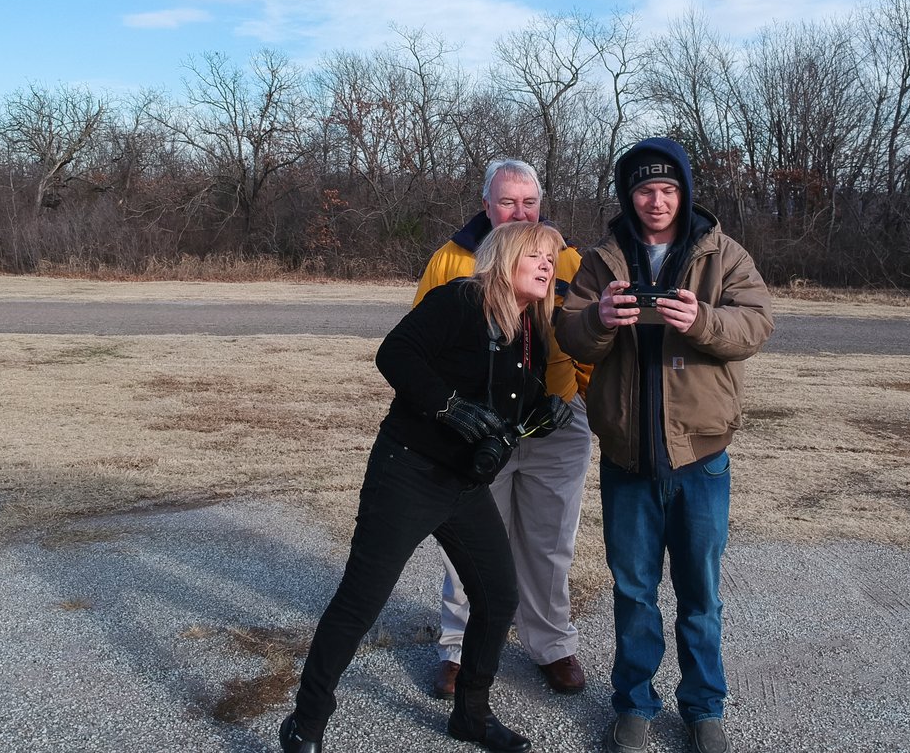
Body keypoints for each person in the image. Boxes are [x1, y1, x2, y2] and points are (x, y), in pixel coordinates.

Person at [280, 220, 575, 753]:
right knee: (360, 601)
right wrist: (447, 407)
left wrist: (540, 409)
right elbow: (395, 354)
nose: (547, 265)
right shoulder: (460, 300)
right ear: (506, 256)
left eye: (551, 258)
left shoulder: (529, 327)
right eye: (536, 254)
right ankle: (306, 721)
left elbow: (505, 397)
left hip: (464, 484)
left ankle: (472, 717)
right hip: (408, 471)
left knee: (498, 595)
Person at [554, 138, 774, 753]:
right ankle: (633, 705)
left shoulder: (723, 253)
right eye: (645, 189)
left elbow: (755, 325)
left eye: (668, 189)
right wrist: (598, 319)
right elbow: (570, 332)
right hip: (628, 458)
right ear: (629, 195)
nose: (656, 200)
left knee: (700, 592)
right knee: (633, 591)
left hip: (700, 459)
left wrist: (700, 320)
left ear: (685, 193)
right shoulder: (601, 261)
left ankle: (704, 708)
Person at [414, 159, 593, 698]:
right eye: (508, 202)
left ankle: (550, 643)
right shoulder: (452, 261)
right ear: (486, 204)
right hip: (479, 425)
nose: (520, 212)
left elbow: (589, 331)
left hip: (555, 422)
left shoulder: (567, 257)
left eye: (530, 203)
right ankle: (457, 647)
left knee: (550, 539)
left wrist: (575, 388)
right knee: (468, 540)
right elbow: (422, 345)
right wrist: (453, 411)